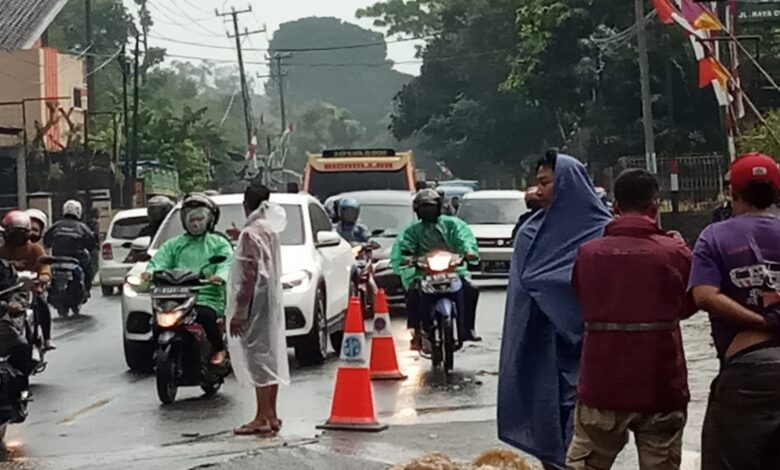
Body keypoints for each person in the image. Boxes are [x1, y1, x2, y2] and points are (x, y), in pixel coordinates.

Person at [566, 169, 696, 470]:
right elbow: (691, 303)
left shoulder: (588, 254)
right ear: (656, 205)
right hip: (661, 386)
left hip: (602, 387)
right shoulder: (673, 252)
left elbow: (580, 300)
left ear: (615, 207)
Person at [498, 151, 612, 470]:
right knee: (548, 425)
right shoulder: (530, 234)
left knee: (588, 440)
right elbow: (523, 292)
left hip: (592, 350)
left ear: (568, 184)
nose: (539, 191)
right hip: (544, 346)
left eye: (546, 183)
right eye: (538, 183)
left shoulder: (605, 232)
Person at [689, 153, 780, 470]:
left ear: (732, 192)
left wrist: (761, 323)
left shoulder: (714, 236)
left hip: (746, 371)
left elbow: (704, 296)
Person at [227, 184, 289, 436]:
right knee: (269, 356)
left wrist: (239, 312)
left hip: (255, 303)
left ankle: (261, 417)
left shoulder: (250, 234)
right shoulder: (268, 230)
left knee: (257, 360)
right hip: (270, 302)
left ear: (246, 204)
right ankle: (271, 414)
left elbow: (249, 275)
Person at [144, 194, 233, 365]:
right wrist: (150, 272)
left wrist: (219, 276)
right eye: (191, 219)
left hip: (207, 296)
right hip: (177, 295)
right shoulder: (173, 245)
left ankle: (218, 348)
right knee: (156, 319)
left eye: (200, 218)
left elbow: (227, 264)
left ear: (209, 219)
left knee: (206, 316)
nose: (195, 223)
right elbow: (159, 261)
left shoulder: (218, 243)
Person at [391, 189, 481, 350]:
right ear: (417, 210)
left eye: (431, 206)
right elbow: (405, 247)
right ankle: (417, 331)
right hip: (423, 273)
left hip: (453, 270)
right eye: (424, 207)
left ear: (439, 207)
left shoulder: (452, 224)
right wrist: (408, 258)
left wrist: (468, 252)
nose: (427, 210)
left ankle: (467, 328)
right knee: (413, 292)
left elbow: (463, 239)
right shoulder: (412, 230)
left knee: (471, 290)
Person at [0, 211, 54, 351]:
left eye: (20, 234)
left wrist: (43, 276)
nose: (17, 238)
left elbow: (44, 265)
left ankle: (47, 338)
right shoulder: (2, 250)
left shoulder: (34, 249)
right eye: (13, 234)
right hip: (7, 289)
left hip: (29, 287)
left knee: (41, 303)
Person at [44, 200, 97, 298]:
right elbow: (91, 244)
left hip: (57, 257)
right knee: (89, 265)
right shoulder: (82, 227)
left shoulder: (56, 225)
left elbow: (46, 240)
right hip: (77, 258)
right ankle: (87, 289)